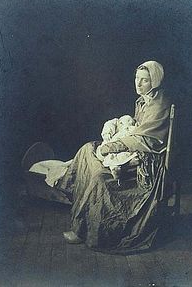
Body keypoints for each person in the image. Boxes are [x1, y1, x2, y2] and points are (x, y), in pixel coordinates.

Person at [23, 60, 171, 254]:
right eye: (136, 79)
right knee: (87, 149)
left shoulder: (158, 105)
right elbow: (135, 130)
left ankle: (84, 230)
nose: (138, 84)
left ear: (155, 82)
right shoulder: (145, 99)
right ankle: (69, 186)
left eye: (144, 81)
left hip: (147, 161)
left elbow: (144, 140)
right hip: (135, 148)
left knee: (98, 178)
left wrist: (112, 146)